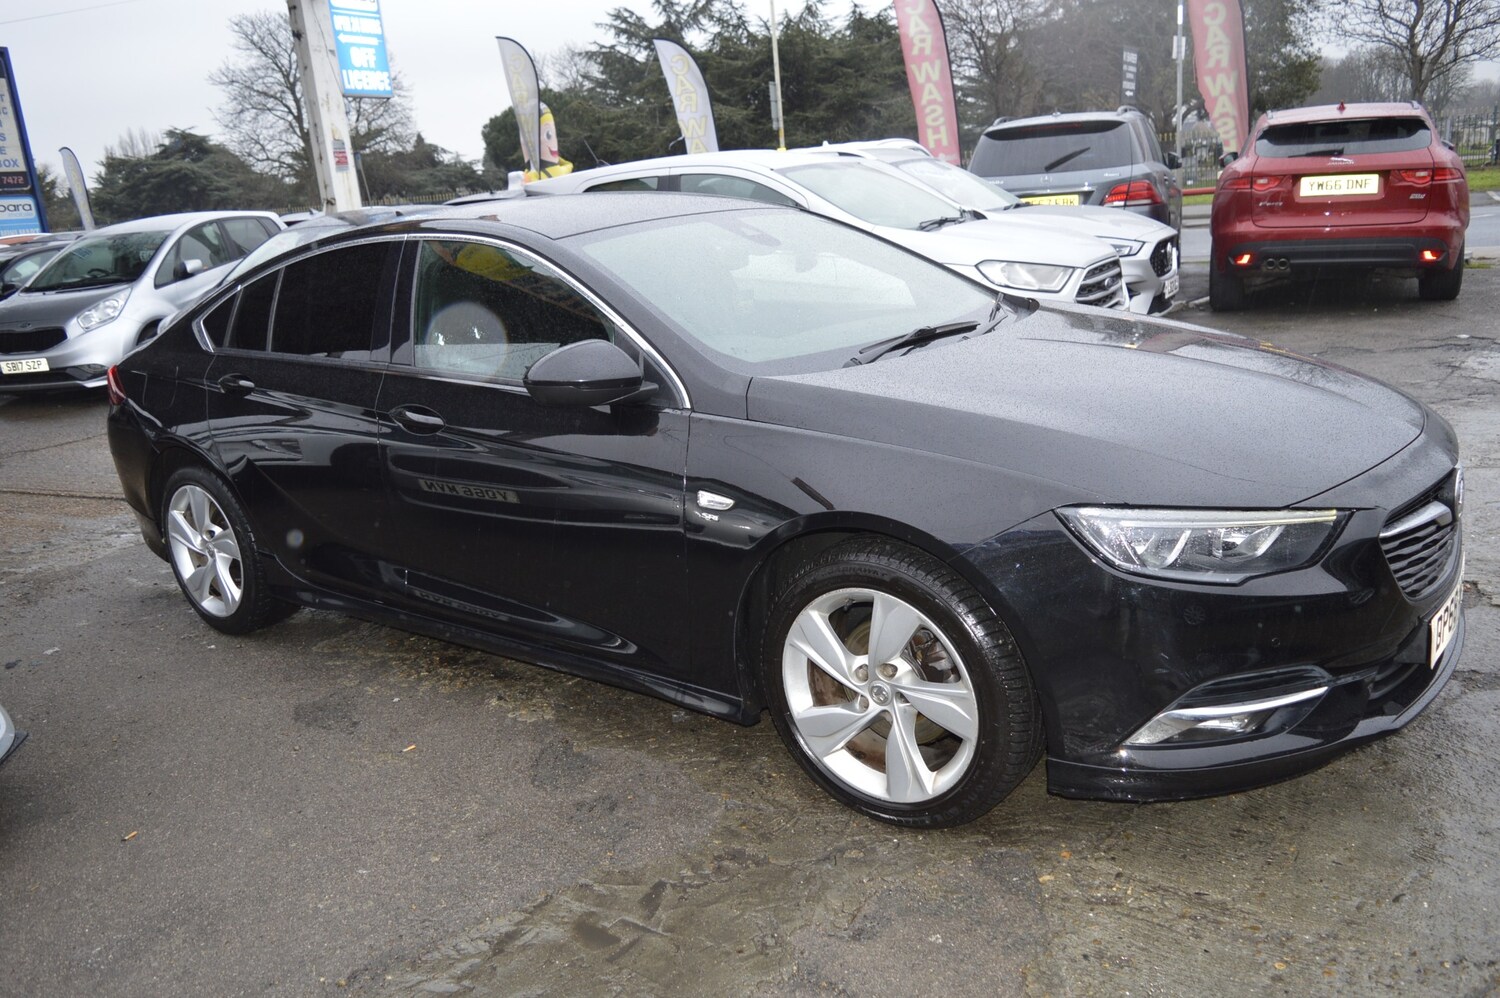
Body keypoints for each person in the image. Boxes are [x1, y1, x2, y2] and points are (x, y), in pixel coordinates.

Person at [524, 103, 573, 183]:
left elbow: (525, 179)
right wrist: (555, 157)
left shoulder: (532, 174)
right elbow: (569, 165)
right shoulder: (560, 171)